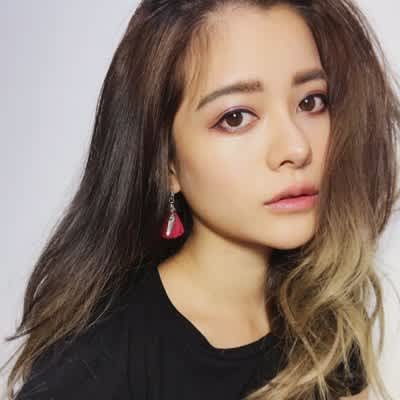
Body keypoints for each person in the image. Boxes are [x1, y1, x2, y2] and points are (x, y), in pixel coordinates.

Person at [2, 0, 400, 399]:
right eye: (236, 117)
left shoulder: (322, 310)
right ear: (167, 163)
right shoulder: (102, 360)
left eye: (310, 102)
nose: (296, 148)